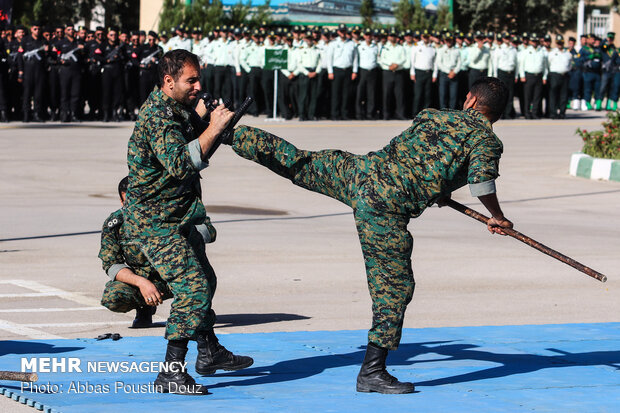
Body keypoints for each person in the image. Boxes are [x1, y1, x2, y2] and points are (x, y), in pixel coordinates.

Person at [224, 77, 513, 394]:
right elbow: (482, 184)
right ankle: (372, 371)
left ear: (470, 100)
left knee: (296, 161)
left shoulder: (434, 115)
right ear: (496, 113)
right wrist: (496, 217)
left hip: (357, 171)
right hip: (383, 209)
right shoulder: (487, 141)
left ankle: (229, 134)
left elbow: (423, 155)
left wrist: (437, 187)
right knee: (395, 287)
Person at [122, 49, 253, 395]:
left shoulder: (175, 109)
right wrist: (213, 127)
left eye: (199, 79)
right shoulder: (158, 118)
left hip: (177, 214)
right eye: (190, 80)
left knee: (204, 280)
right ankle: (171, 372)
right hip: (155, 222)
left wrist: (208, 122)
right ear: (168, 82)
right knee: (192, 288)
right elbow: (182, 163)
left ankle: (208, 351)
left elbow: (193, 143)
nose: (198, 85)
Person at [98, 177, 173, 327]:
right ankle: (145, 307)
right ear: (121, 202)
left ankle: (194, 310)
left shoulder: (169, 212)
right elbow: (111, 264)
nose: (133, 207)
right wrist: (142, 283)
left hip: (177, 276)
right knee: (113, 297)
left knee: (197, 281)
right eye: (127, 203)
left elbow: (207, 231)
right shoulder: (115, 224)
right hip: (145, 280)